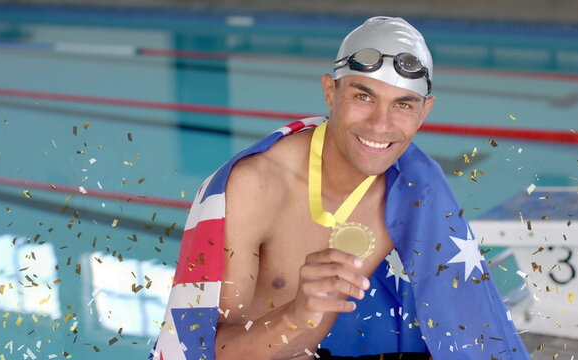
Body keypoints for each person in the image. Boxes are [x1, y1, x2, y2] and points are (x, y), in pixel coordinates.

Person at [150, 16, 531, 360]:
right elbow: (202, 350)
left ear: (425, 111)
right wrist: (297, 314)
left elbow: (465, 326)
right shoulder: (257, 187)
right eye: (363, 96)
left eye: (403, 105)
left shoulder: (415, 191)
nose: (381, 125)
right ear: (330, 92)